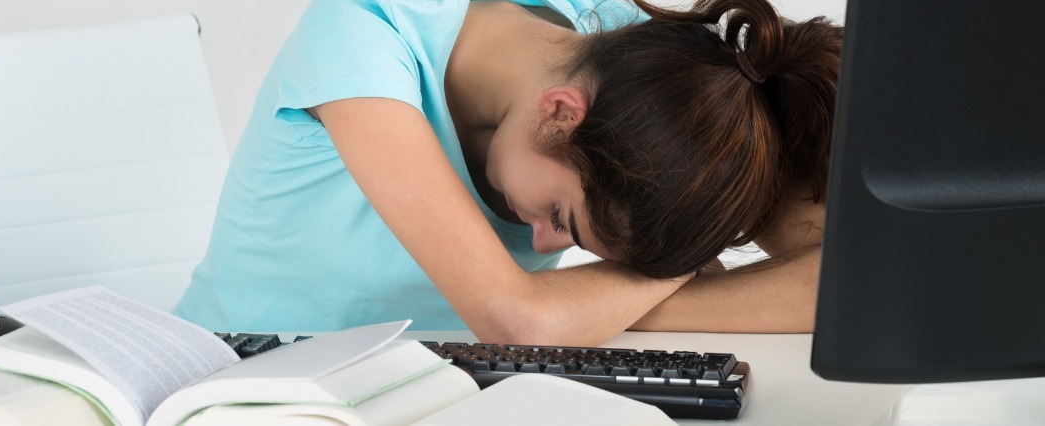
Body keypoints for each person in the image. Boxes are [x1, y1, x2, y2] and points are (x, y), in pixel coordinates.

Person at [174, 0, 841, 345]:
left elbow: (848, 277)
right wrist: (675, 268)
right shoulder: (367, 34)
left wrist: (609, 305)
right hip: (235, 378)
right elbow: (517, 320)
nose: (545, 248)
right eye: (563, 218)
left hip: (429, 389)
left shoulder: (635, 68)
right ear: (558, 112)